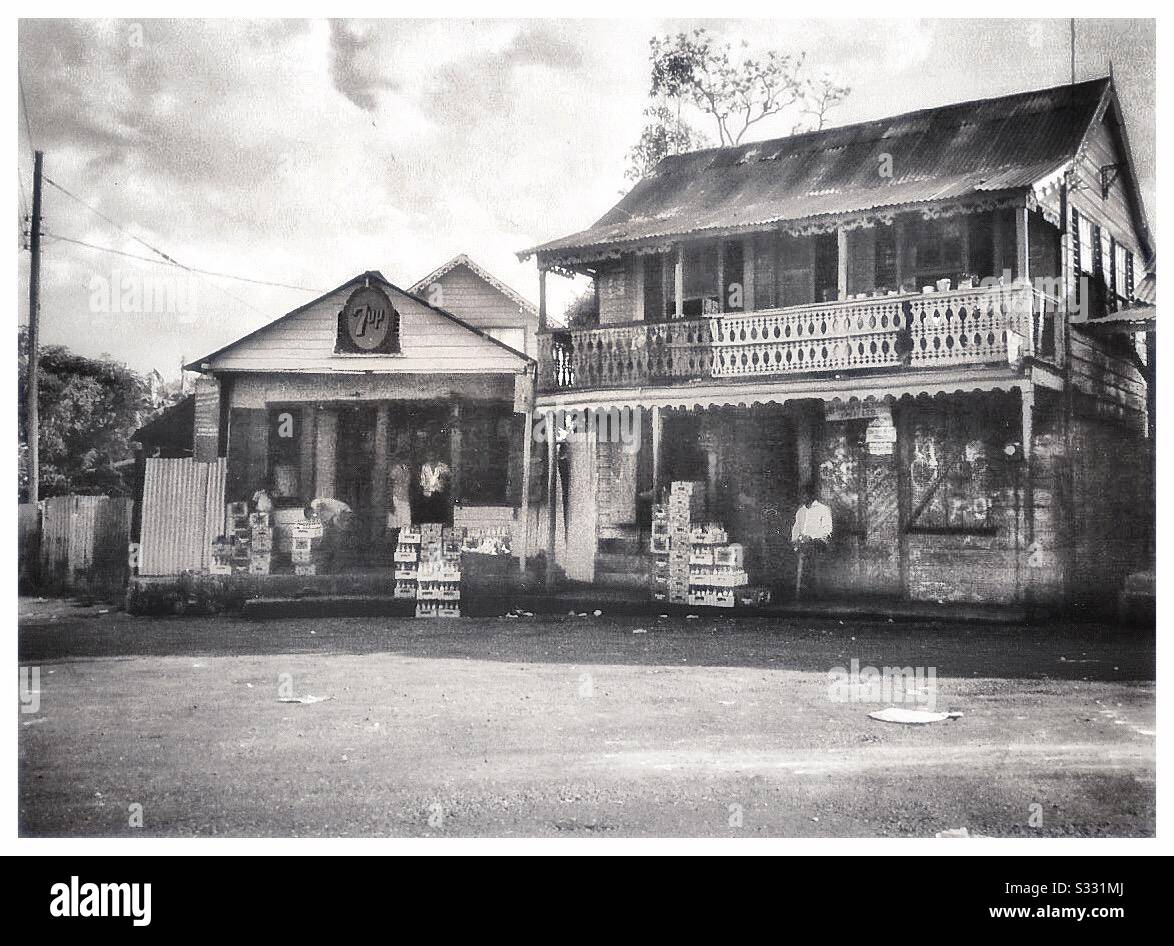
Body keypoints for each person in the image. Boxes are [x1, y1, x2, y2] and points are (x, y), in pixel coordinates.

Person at [791, 485, 832, 600]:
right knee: (794, 550)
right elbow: (795, 528)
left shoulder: (823, 509)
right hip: (803, 542)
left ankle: (813, 589)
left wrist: (811, 536)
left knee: (809, 550)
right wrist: (795, 540)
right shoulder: (801, 511)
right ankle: (800, 589)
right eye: (801, 494)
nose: (802, 497)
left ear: (811, 495)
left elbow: (827, 530)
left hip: (818, 541)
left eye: (804, 494)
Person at [418, 449, 452, 525]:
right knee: (428, 517)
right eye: (429, 456)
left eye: (433, 455)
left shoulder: (443, 466)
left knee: (439, 516)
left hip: (439, 493)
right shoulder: (425, 467)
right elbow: (422, 481)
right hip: (427, 494)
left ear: (436, 456)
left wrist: (443, 477)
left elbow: (449, 477)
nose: (431, 458)